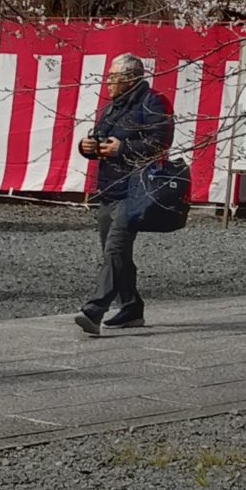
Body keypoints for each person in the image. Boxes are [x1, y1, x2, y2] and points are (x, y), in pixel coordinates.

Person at [75, 51, 172, 334]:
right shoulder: (113, 106)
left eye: (113, 78)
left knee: (115, 249)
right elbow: (99, 136)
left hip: (136, 188)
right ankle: (131, 307)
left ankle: (94, 310)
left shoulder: (153, 102)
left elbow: (160, 143)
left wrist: (123, 149)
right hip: (109, 187)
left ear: (129, 79)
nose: (107, 83)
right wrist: (88, 146)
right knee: (116, 253)